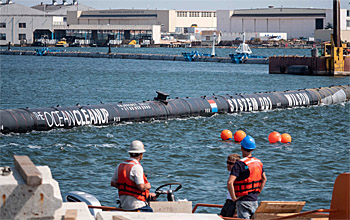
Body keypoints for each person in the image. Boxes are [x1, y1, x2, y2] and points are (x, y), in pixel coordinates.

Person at [227, 135, 267, 219]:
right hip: (254, 199)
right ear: (253, 149)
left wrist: (234, 198)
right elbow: (264, 179)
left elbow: (230, 182)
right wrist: (258, 192)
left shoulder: (239, 164)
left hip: (243, 200)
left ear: (241, 147)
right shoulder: (258, 162)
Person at [111, 140, 153, 212]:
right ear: (141, 154)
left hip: (123, 204)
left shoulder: (120, 166)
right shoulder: (137, 167)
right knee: (150, 212)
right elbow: (141, 187)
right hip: (136, 205)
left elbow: (113, 183)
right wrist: (148, 186)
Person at [220, 153, 241, 217]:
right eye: (227, 162)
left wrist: (234, 199)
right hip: (228, 201)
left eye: (231, 163)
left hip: (234, 202)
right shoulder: (232, 174)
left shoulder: (239, 175)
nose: (228, 165)